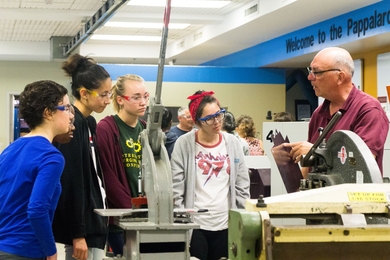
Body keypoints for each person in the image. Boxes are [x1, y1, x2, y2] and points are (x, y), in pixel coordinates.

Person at [285, 47, 389, 178]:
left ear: (340, 77)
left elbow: (363, 164)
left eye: (317, 72)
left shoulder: (368, 110)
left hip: (352, 196)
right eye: (310, 71)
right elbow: (308, 168)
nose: (310, 77)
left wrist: (317, 152)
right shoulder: (319, 113)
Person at [171, 90, 250, 260]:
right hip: (196, 225)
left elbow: (242, 184)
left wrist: (241, 220)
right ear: (197, 122)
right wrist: (182, 220)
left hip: (225, 223)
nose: (217, 122)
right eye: (209, 119)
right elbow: (176, 186)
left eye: (219, 115)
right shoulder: (184, 144)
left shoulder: (233, 143)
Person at [0, 80, 73, 260]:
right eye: (67, 108)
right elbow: (37, 209)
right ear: (48, 113)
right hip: (26, 251)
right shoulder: (51, 156)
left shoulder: (10, 150)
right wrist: (51, 251)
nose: (71, 116)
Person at [53, 53, 112, 260]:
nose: (108, 101)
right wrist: (77, 234)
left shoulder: (89, 123)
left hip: (94, 223)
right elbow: (71, 181)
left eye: (110, 94)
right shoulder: (74, 125)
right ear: (84, 93)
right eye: (103, 94)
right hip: (81, 229)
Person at [96, 74, 148, 256]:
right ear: (120, 99)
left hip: (145, 216)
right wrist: (130, 211)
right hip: (120, 220)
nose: (143, 102)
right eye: (136, 97)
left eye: (145, 96)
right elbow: (107, 177)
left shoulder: (146, 129)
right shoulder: (106, 128)